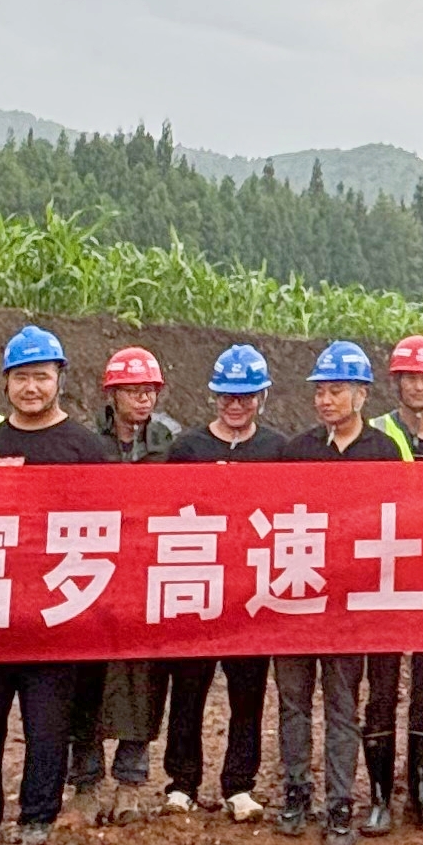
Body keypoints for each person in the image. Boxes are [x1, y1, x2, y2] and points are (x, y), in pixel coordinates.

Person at [0, 326, 115, 845]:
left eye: (42, 377)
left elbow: (109, 527)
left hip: (54, 613)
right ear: (5, 384)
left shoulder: (86, 448)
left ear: (59, 379)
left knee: (48, 725)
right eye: (22, 378)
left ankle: (38, 815)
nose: (32, 389)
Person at [269, 341, 404, 845]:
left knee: (343, 706)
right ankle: (297, 791)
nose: (326, 400)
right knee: (293, 703)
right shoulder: (297, 450)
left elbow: (395, 525)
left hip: (350, 605)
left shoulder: (383, 453)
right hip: (298, 599)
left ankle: (341, 803)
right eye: (320, 391)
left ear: (361, 394)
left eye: (337, 390)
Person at [159, 347, 286, 818]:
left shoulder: (278, 451)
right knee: (188, 690)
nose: (236, 406)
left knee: (248, 692)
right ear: (214, 397)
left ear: (262, 397)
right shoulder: (187, 450)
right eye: (228, 397)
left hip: (251, 593)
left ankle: (239, 784)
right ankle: (181, 783)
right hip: (196, 585)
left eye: (246, 397)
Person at [73, 346, 185, 821]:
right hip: (90, 572)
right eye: (133, 391)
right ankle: (84, 782)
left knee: (143, 678)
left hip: (146, 575)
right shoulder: (83, 442)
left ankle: (131, 782)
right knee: (84, 677)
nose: (143, 400)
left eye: (150, 391)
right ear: (111, 394)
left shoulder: (173, 442)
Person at [360, 333, 423, 831]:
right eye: (410, 377)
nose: (418, 385)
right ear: (396, 381)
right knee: (380, 689)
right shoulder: (375, 433)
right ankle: (379, 798)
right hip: (384, 577)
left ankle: (421, 797)